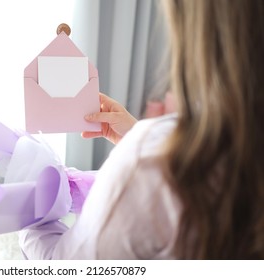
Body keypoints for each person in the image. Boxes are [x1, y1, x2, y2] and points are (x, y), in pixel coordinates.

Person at [19, 0, 264, 259]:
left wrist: (29, 208)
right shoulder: (240, 146)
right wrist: (143, 136)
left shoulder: (149, 164)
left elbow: (66, 267)